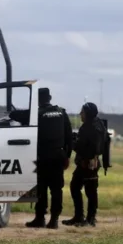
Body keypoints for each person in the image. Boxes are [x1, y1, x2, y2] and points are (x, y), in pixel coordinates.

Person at [26, 87, 72, 229]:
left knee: (41, 188)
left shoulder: (38, 114)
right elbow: (69, 137)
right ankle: (54, 220)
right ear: (50, 97)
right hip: (58, 155)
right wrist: (67, 156)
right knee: (56, 189)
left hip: (43, 156)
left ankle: (40, 218)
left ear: (38, 100)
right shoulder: (62, 113)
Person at [63, 102, 105, 227]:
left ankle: (90, 219)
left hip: (88, 164)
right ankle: (80, 216)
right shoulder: (97, 124)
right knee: (76, 187)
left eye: (82, 112)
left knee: (89, 191)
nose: (80, 114)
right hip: (87, 163)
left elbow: (86, 148)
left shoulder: (90, 127)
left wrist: (74, 143)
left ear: (87, 113)